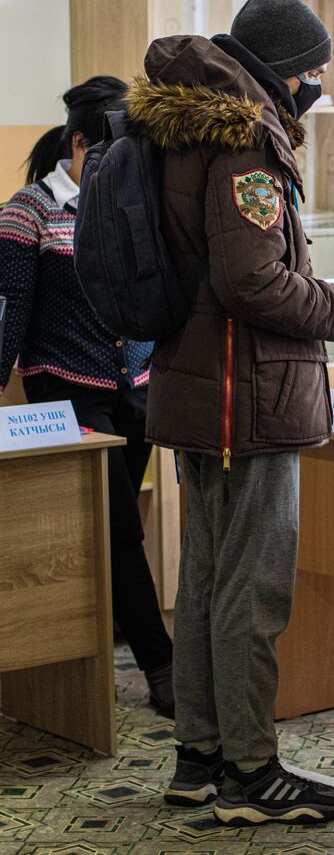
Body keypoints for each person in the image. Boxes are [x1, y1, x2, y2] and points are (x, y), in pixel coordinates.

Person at [125, 0, 334, 826]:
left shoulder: (188, 127)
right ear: (287, 71)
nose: (318, 88)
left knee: (204, 579)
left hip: (199, 389)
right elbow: (253, 281)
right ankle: (249, 772)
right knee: (252, 589)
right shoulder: (248, 141)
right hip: (247, 395)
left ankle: (199, 755)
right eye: (314, 73)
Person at [0, 79, 176, 717]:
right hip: (66, 394)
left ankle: (111, 627)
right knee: (120, 529)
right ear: (79, 144)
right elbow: (8, 311)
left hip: (137, 390)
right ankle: (163, 665)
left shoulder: (133, 203)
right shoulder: (30, 211)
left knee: (117, 523)